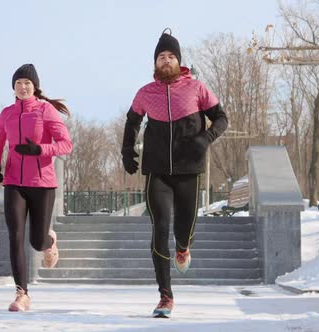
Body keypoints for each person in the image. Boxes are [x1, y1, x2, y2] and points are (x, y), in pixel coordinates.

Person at [121, 29, 227, 318]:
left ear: (179, 62)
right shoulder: (145, 93)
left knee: (183, 231)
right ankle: (165, 296)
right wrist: (127, 152)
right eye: (160, 57)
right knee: (160, 228)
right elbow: (131, 122)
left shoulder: (197, 89)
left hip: (189, 170)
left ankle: (183, 247)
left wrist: (205, 139)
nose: (165, 61)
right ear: (155, 63)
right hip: (157, 172)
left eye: (170, 56)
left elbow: (221, 118)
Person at [0, 64, 73, 312]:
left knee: (36, 241)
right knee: (15, 235)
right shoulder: (7, 114)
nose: (23, 87)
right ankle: (22, 293)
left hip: (42, 183)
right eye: (18, 83)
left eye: (27, 83)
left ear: (35, 86)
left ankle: (49, 240)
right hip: (14, 182)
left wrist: (40, 150)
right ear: (13, 87)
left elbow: (66, 144)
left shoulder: (45, 111)